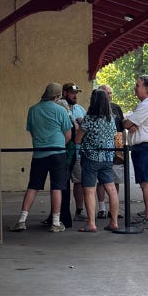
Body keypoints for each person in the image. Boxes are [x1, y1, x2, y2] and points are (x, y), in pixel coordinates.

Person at [11, 83, 71, 233]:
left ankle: (21, 220)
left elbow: (32, 131)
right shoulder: (61, 110)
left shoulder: (33, 110)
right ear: (56, 97)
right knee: (57, 187)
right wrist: (59, 144)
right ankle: (56, 222)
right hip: (58, 152)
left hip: (39, 153)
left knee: (33, 186)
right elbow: (68, 134)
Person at [73, 88, 119, 231]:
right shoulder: (111, 119)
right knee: (111, 190)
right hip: (107, 157)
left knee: (89, 191)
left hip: (90, 158)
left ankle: (91, 223)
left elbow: (77, 140)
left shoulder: (89, 119)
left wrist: (78, 127)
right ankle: (114, 222)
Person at [121, 75, 148, 224]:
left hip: (145, 147)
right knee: (144, 182)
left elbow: (126, 124)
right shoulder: (144, 104)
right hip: (141, 147)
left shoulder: (146, 105)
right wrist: (130, 122)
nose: (135, 88)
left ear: (146, 88)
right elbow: (129, 122)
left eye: (138, 85)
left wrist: (128, 122)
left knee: (146, 182)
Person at [95, 84, 125, 219]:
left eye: (111, 93)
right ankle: (102, 208)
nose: (110, 95)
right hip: (102, 149)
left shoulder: (116, 108)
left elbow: (122, 127)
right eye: (107, 93)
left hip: (116, 147)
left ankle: (114, 209)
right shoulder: (95, 108)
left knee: (116, 178)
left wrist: (122, 146)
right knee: (101, 180)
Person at [60, 83, 86, 221]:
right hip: (62, 150)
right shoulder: (59, 108)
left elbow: (87, 128)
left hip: (78, 151)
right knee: (60, 183)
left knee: (79, 181)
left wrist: (81, 125)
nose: (75, 96)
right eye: (72, 93)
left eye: (76, 93)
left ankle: (79, 211)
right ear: (64, 93)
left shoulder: (80, 109)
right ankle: (58, 213)